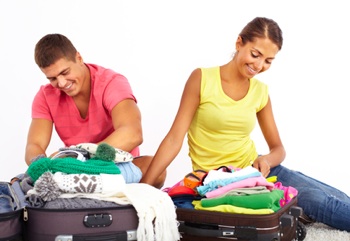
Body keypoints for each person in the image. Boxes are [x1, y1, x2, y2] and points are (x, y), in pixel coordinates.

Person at [141, 17, 350, 231]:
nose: (259, 66)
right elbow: (175, 137)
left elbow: (278, 149)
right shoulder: (202, 79)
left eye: (268, 60)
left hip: (259, 169)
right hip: (222, 182)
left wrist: (266, 160)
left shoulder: (260, 91)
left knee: (338, 197)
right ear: (239, 43)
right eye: (255, 54)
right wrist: (143, 188)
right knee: (320, 202)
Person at [25, 33, 165, 189]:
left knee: (157, 168)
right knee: (22, 181)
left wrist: (79, 156)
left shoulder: (111, 83)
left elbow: (133, 133)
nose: (62, 83)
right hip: (74, 172)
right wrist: (42, 167)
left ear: (79, 58)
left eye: (65, 73)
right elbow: (34, 145)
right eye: (52, 78)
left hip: (114, 167)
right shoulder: (45, 96)